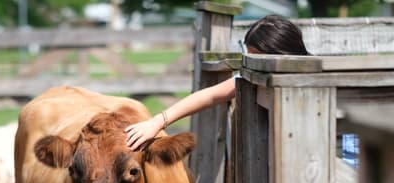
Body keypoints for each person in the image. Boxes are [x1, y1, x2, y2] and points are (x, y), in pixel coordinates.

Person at [125, 15, 310, 151]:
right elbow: (209, 95)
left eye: (257, 58)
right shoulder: (250, 78)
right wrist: (158, 122)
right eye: (249, 57)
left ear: (280, 53)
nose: (251, 65)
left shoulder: (313, 81)